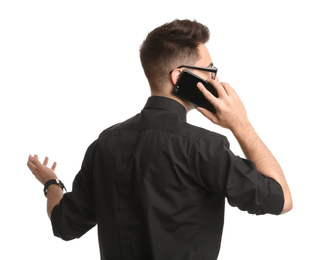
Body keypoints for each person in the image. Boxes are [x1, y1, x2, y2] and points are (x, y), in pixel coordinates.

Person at [27, 19, 292, 260]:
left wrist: (52, 183)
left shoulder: (104, 144)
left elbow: (64, 224)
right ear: (179, 77)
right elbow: (280, 200)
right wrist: (241, 124)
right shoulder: (204, 146)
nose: (216, 78)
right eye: (209, 70)